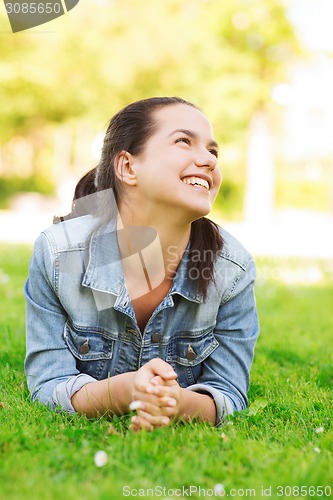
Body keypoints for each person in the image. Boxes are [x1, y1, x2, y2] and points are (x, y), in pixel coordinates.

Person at [24, 96, 259, 432]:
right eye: (183, 141)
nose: (208, 160)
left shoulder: (232, 269)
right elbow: (47, 385)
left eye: (212, 151)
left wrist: (176, 402)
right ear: (128, 167)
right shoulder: (60, 254)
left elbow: (230, 394)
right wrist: (122, 392)